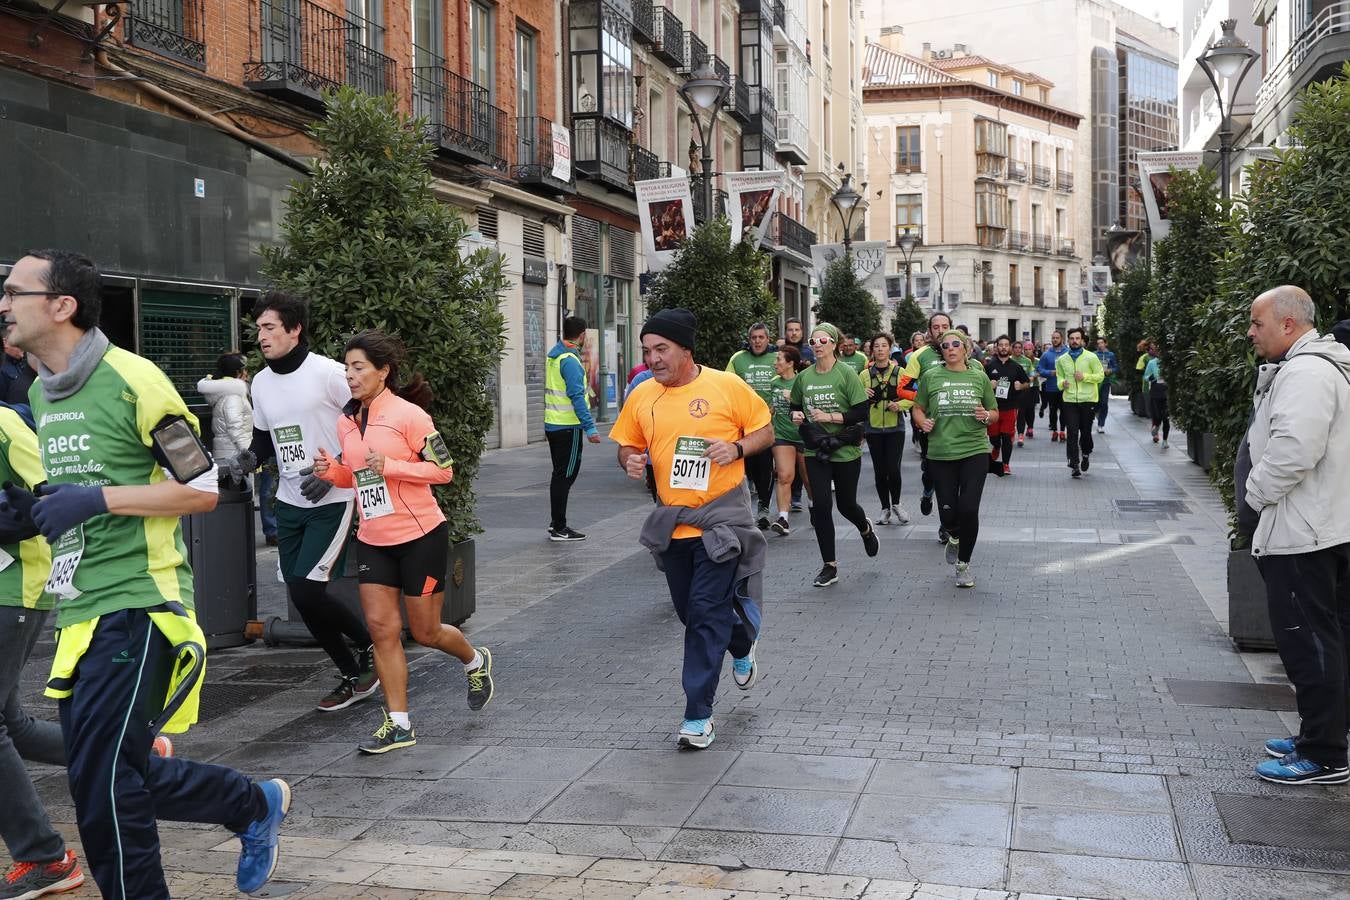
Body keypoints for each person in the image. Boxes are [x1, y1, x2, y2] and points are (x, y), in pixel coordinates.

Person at [0, 250, 289, 898]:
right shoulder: (42, 395)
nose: (2, 305)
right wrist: (38, 505)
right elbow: (74, 485)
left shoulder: (134, 381)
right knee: (106, 779)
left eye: (13, 291)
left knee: (105, 789)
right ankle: (249, 805)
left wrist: (97, 500)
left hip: (141, 603)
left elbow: (205, 488)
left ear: (60, 305)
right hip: (80, 613)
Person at [312, 330, 494, 754]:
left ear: (383, 372)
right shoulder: (346, 420)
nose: (350, 376)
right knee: (381, 630)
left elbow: (444, 471)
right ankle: (399, 723)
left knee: (427, 631)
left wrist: (392, 464)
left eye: (358, 368)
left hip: (420, 535)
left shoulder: (411, 416)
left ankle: (475, 660)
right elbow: (355, 475)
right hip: (374, 537)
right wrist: (331, 472)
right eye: (346, 368)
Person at [611, 308, 771, 749]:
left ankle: (698, 715)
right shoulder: (642, 395)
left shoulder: (725, 385)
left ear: (686, 350)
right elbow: (627, 444)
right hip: (673, 523)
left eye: (662, 349)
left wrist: (736, 447)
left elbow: (765, 430)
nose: (654, 359)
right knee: (692, 612)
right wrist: (631, 460)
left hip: (722, 522)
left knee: (703, 614)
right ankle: (741, 644)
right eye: (647, 351)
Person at [1238, 286, 1350, 785]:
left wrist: (1254, 496)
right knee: (1328, 637)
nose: (1250, 332)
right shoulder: (1314, 366)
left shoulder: (1306, 372)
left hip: (1302, 531)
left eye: (1257, 323)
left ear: (1287, 324)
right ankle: (1323, 734)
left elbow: (1293, 450)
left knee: (1309, 643)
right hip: (1316, 526)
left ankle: (1324, 753)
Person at [245, 292, 378, 712]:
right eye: (258, 329)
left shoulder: (328, 373)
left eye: (269, 327)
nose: (261, 336)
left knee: (307, 587)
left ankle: (367, 650)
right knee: (303, 596)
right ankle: (353, 669)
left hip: (333, 496)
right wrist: (248, 459)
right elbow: (265, 437)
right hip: (289, 498)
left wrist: (339, 466)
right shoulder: (261, 381)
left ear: (294, 328)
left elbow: (368, 420)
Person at [0, 400, 78, 897]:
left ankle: (43, 856)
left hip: (13, 588)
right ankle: (130, 753)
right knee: (14, 727)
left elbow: (49, 496)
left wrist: (17, 516)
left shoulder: (5, 423)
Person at [791, 323, 880, 587]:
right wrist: (795, 414)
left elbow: (861, 412)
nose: (817, 345)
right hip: (815, 448)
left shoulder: (846, 374)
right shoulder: (804, 377)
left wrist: (829, 416)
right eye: (813, 341)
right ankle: (829, 566)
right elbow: (795, 407)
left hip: (844, 448)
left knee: (845, 505)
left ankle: (864, 527)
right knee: (821, 506)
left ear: (834, 344)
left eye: (822, 340)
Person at [911, 329, 998, 589]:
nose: (950, 348)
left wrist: (986, 415)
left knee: (969, 509)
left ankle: (963, 564)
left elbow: (994, 412)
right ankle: (955, 536)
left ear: (965, 349)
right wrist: (921, 422)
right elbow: (918, 407)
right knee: (948, 514)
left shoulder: (978, 376)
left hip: (974, 450)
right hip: (941, 452)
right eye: (945, 345)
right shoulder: (930, 376)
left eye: (955, 344)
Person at [901, 312, 981, 542]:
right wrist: (925, 400)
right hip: (931, 425)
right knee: (932, 473)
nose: (940, 330)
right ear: (929, 331)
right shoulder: (920, 356)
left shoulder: (964, 354)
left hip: (961, 428)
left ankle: (947, 526)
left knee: (956, 479)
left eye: (944, 326)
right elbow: (903, 387)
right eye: (935, 327)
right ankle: (928, 493)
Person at [545, 316, 600, 542]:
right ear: (582, 335)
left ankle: (555, 523)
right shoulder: (569, 360)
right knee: (565, 476)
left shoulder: (556, 355)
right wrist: (590, 428)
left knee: (561, 475)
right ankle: (559, 527)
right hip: (568, 426)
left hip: (554, 424)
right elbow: (577, 396)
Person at [726, 323, 780, 528]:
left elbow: (788, 380)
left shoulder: (776, 358)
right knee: (745, 467)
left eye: (761, 337)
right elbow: (728, 386)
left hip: (767, 424)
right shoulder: (738, 358)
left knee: (765, 467)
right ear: (749, 340)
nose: (757, 341)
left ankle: (764, 508)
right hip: (743, 424)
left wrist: (775, 405)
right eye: (754, 338)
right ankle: (745, 508)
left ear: (768, 339)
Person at [863, 333, 911, 525]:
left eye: (884, 346)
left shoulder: (900, 373)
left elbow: (914, 396)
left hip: (895, 428)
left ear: (890, 349)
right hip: (873, 428)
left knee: (893, 468)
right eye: (877, 346)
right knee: (879, 470)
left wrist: (900, 405)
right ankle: (885, 508)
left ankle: (897, 504)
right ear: (871, 350)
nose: (881, 349)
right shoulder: (864, 375)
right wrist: (861, 393)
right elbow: (854, 401)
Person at [766, 345, 808, 535]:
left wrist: (793, 398)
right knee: (784, 476)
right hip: (782, 435)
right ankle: (783, 518)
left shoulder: (803, 381)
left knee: (808, 478)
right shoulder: (774, 382)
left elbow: (813, 409)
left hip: (804, 436)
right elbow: (771, 408)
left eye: (779, 360)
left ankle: (816, 508)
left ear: (791, 363)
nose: (775, 363)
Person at [1055, 328, 1104, 479]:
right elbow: (1059, 378)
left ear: (1082, 340)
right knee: (1072, 432)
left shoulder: (1091, 357)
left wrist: (1085, 376)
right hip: (1069, 400)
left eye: (1077, 338)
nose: (1074, 341)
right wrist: (1062, 383)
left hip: (1088, 400)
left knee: (1086, 433)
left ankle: (1086, 453)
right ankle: (1074, 464)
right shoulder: (1062, 360)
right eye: (1072, 338)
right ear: (1067, 340)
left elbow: (1100, 376)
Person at [983, 335, 1030, 476]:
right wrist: (988, 385)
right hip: (993, 407)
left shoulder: (1016, 367)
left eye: (1006, 345)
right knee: (994, 437)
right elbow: (979, 385)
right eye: (1000, 345)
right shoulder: (989, 366)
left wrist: (1020, 386)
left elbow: (1027, 383)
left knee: (1007, 436)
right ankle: (996, 447)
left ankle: (1005, 464)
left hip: (1010, 406)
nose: (1003, 347)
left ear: (1009, 347)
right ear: (996, 347)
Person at [1036, 330, 1068, 441]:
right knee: (1053, 410)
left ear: (1061, 339)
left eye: (1057, 338)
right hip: (1051, 387)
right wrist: (1050, 373)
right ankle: (1054, 431)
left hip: (1065, 388)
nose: (1055, 340)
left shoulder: (1068, 352)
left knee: (1064, 410)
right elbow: (1039, 369)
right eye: (1053, 338)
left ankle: (1063, 431)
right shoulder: (1046, 354)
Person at [0, 338, 37, 426]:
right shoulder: (3, 370)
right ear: (5, 343)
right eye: (18, 343)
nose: (23, 348)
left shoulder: (19, 365)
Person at [1013, 339, 1039, 444]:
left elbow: (1032, 374)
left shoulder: (1027, 361)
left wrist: (1030, 379)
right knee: (1012, 414)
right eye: (1016, 347)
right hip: (1011, 392)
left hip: (1024, 390)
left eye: (1020, 348)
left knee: (1022, 413)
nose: (1018, 349)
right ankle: (1010, 433)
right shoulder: (1009, 360)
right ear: (1012, 349)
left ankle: (1020, 435)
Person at [1142, 352, 1169, 448]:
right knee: (1157, 415)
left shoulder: (1170, 362)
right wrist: (1150, 377)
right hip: (1155, 390)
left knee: (1166, 417)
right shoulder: (1152, 363)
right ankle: (1156, 425)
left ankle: (1165, 440)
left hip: (1167, 390)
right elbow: (1145, 376)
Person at [1094, 337, 1118, 433]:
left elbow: (1115, 367)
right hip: (1095, 382)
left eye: (1101, 343)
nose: (1100, 345)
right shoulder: (1094, 354)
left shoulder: (1111, 355)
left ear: (1105, 344)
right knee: (1095, 402)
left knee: (1104, 403)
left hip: (1105, 382)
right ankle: (1096, 412)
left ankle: (1101, 424)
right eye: (1098, 343)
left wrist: (1110, 370)